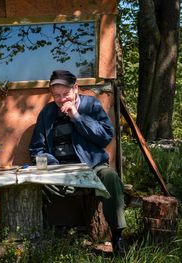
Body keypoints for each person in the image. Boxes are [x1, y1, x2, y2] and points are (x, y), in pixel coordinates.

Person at [29, 69, 127, 255]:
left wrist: (77, 117)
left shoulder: (91, 105)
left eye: (65, 94)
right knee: (33, 182)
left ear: (75, 88)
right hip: (60, 171)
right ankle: (42, 239)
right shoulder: (47, 113)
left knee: (110, 177)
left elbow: (105, 136)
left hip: (92, 167)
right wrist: (53, 165)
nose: (61, 99)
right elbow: (36, 149)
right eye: (56, 95)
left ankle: (117, 236)